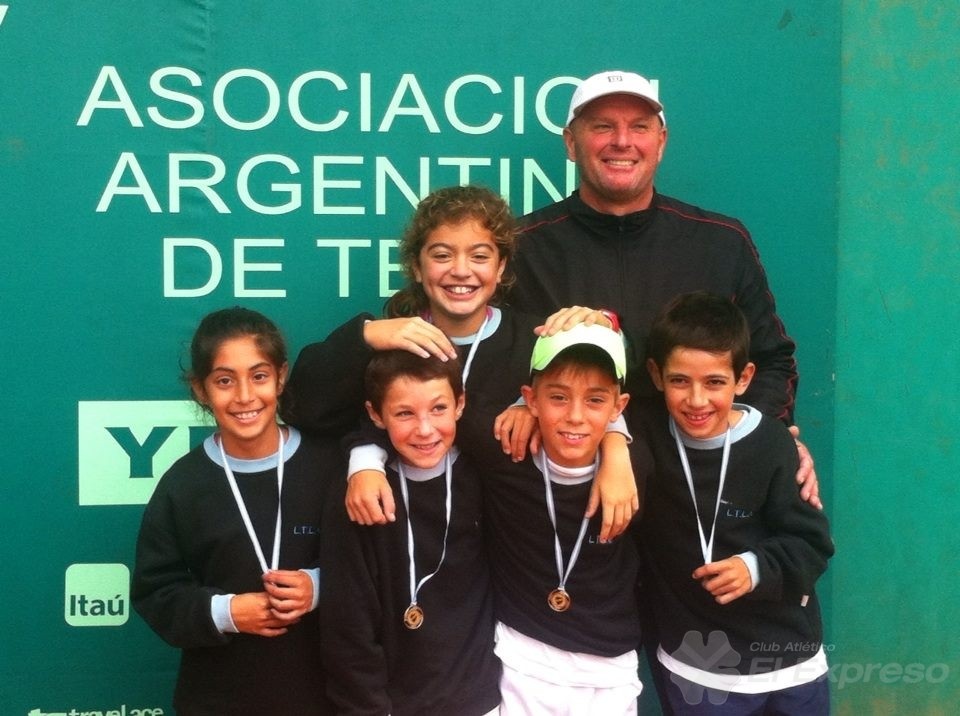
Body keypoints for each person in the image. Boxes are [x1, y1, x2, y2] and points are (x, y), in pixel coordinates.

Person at [509, 69, 821, 510]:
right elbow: (489, 359)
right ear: (571, 143)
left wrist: (765, 438)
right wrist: (517, 405)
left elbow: (772, 360)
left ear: (661, 141)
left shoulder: (721, 242)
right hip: (565, 497)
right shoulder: (522, 245)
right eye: (603, 126)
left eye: (639, 127)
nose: (622, 141)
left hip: (701, 494)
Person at [283, 185, 634, 540]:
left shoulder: (538, 341)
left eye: (479, 256)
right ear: (416, 267)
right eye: (442, 255)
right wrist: (367, 334)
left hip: (509, 546)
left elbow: (600, 396)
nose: (461, 271)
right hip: (407, 538)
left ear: (501, 267)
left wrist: (614, 448)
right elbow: (304, 407)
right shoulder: (394, 344)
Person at [132, 307, 340, 715]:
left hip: (326, 695)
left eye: (259, 376)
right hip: (218, 698)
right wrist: (226, 613)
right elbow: (155, 593)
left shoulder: (329, 467)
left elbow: (376, 566)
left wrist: (318, 586)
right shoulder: (183, 485)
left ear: (281, 377)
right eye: (225, 381)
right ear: (201, 389)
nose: (244, 396)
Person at [637, 292, 833, 714]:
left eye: (714, 382)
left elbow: (813, 545)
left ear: (743, 378)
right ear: (655, 374)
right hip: (698, 669)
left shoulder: (772, 445)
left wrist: (754, 567)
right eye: (679, 381)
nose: (697, 400)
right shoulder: (644, 433)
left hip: (787, 663)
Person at [319, 350, 501, 715]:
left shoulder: (485, 471)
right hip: (394, 703)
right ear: (375, 415)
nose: (425, 429)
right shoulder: (359, 494)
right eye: (404, 413)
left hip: (481, 698)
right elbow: (348, 624)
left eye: (439, 408)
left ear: (460, 404)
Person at [489, 322, 652, 715]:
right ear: (530, 398)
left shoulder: (639, 468)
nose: (575, 416)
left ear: (619, 407)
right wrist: (366, 459)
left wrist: (617, 445)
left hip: (608, 670)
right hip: (520, 659)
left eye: (595, 400)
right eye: (558, 397)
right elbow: (426, 419)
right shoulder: (502, 454)